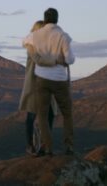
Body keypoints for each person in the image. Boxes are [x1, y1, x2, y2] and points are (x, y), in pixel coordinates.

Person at [23, 8, 75, 156]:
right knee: (41, 115)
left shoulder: (35, 39)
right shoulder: (61, 37)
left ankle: (46, 147)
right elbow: (69, 59)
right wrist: (58, 60)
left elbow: (26, 41)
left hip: (41, 80)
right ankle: (39, 146)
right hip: (42, 81)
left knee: (45, 114)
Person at [19, 20, 59, 155]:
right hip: (35, 85)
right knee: (32, 115)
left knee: (49, 115)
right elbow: (39, 60)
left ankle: (44, 145)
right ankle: (30, 146)